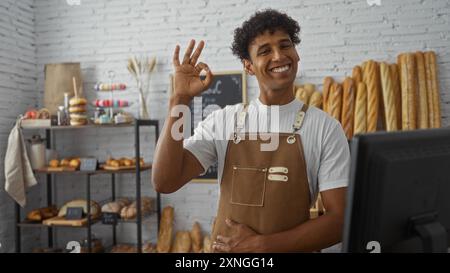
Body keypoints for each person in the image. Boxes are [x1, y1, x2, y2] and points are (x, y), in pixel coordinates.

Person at [152, 9, 350, 252]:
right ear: (248, 66)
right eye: (265, 51)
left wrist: (262, 245)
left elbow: (339, 221)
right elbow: (164, 181)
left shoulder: (325, 128)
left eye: (285, 45)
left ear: (296, 54)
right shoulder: (223, 121)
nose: (279, 56)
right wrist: (179, 100)